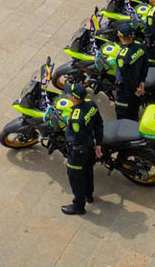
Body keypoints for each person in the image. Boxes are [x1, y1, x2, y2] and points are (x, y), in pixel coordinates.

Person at [60, 83, 103, 215]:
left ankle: (78, 206)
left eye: (69, 94)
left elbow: (74, 137)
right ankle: (88, 195)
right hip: (90, 146)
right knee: (88, 172)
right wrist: (98, 144)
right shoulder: (91, 104)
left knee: (76, 178)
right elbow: (98, 123)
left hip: (78, 152)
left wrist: (69, 140)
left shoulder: (76, 118)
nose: (67, 95)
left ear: (73, 97)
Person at [111, 22, 147, 121]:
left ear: (119, 36)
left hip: (127, 92)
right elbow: (145, 65)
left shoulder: (122, 56)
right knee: (134, 111)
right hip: (139, 85)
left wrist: (135, 90)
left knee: (122, 114)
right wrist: (142, 82)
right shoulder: (140, 46)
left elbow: (126, 78)